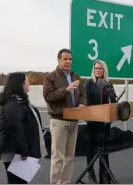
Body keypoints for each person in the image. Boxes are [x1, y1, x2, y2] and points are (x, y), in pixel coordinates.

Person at [43, 48, 86, 184]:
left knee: (70, 157)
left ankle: (66, 183)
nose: (68, 61)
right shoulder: (50, 77)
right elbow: (48, 96)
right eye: (65, 59)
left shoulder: (75, 76)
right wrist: (65, 89)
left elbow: (83, 94)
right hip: (59, 121)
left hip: (74, 121)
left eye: (70, 59)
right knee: (58, 157)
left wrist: (81, 104)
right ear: (58, 60)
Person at [0, 72, 47, 184]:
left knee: (20, 181)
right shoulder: (13, 103)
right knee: (17, 182)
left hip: (18, 151)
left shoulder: (20, 101)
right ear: (20, 84)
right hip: (15, 152)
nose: (29, 84)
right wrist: (24, 151)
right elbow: (15, 128)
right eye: (27, 82)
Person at [84, 59, 117, 183]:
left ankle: (104, 173)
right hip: (93, 120)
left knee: (104, 147)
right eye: (95, 68)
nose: (97, 70)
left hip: (105, 121)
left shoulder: (108, 84)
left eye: (100, 68)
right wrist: (98, 115)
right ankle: (90, 172)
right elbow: (88, 101)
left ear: (104, 70)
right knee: (92, 146)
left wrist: (109, 116)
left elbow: (114, 101)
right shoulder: (89, 83)